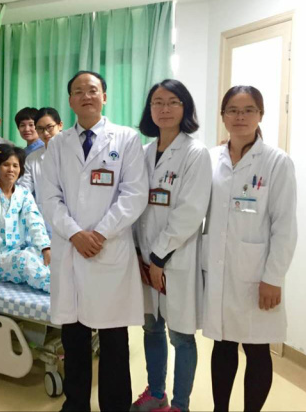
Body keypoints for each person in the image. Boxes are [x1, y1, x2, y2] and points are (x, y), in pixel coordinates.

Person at [41, 70, 148, 411]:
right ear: (70, 100)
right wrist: (75, 233)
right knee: (73, 339)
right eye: (78, 91)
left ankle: (115, 406)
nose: (86, 96)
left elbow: (134, 194)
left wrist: (100, 233)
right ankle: (75, 405)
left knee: (114, 341)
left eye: (92, 90)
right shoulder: (58, 144)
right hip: (70, 249)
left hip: (108, 249)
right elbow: (48, 197)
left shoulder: (126, 139)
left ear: (104, 96)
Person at [203, 85, 297, 412]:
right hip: (218, 270)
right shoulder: (210, 158)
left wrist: (273, 278)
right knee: (222, 344)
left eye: (248, 110)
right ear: (223, 115)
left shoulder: (276, 162)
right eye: (232, 110)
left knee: (256, 349)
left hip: (257, 274)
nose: (240, 117)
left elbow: (284, 225)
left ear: (260, 115)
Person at [131, 79, 212, 412]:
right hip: (145, 257)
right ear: (149, 109)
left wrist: (158, 257)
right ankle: (156, 393)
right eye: (157, 102)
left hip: (174, 259)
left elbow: (190, 211)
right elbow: (135, 205)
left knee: (181, 336)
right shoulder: (143, 153)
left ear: (185, 108)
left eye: (173, 102)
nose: (164, 109)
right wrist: (140, 254)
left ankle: (180, 405)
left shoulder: (195, 153)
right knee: (151, 327)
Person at [0, 144, 51, 291]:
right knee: (23, 260)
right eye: (5, 165)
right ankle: (56, 289)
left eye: (15, 165)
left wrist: (46, 248)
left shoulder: (24, 194)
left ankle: (69, 285)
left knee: (50, 254)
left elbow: (35, 223)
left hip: (19, 251)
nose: (11, 169)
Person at [19, 107, 64, 209]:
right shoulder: (32, 158)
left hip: (71, 214)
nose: (46, 133)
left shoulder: (72, 153)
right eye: (40, 128)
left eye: (49, 127)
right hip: (42, 214)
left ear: (60, 125)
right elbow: (24, 189)